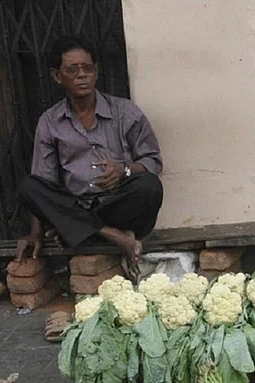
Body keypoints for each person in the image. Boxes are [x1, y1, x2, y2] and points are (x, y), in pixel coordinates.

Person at [14, 35, 164, 274]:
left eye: (88, 68)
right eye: (73, 69)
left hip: (118, 205)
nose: (82, 75)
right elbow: (44, 182)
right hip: (76, 205)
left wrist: (123, 170)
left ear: (96, 72)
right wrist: (35, 233)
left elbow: (152, 161)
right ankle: (112, 236)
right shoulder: (50, 122)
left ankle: (78, 230)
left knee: (149, 185)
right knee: (28, 187)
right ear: (57, 76)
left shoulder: (125, 111)